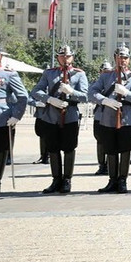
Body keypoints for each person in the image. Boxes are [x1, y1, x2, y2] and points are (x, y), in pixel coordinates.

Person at [31, 44, 89, 194]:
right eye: (62, 56)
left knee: (69, 148)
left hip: (69, 115)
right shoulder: (49, 73)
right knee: (53, 148)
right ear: (58, 58)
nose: (65, 59)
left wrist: (72, 92)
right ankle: (56, 179)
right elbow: (36, 91)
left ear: (72, 58)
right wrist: (50, 99)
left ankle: (67, 180)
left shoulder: (79, 74)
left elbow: (85, 95)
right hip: (51, 115)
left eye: (68, 56)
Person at [87, 43, 131, 194]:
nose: (122, 60)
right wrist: (104, 100)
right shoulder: (106, 76)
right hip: (108, 118)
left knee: (125, 150)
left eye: (125, 58)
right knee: (110, 149)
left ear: (129, 60)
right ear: (115, 59)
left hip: (126, 119)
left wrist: (126, 93)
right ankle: (112, 180)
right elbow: (91, 92)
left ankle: (122, 180)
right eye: (119, 57)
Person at [0, 41, 28, 195]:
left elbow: (23, 96)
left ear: (1, 56)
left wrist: (16, 116)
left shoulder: (9, 74)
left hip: (0, 118)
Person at [92, 61, 113, 175]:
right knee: (99, 140)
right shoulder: (97, 84)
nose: (105, 73)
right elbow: (90, 95)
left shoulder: (115, 82)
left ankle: (110, 165)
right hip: (99, 114)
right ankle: (101, 165)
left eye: (108, 71)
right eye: (103, 71)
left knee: (109, 141)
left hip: (110, 116)